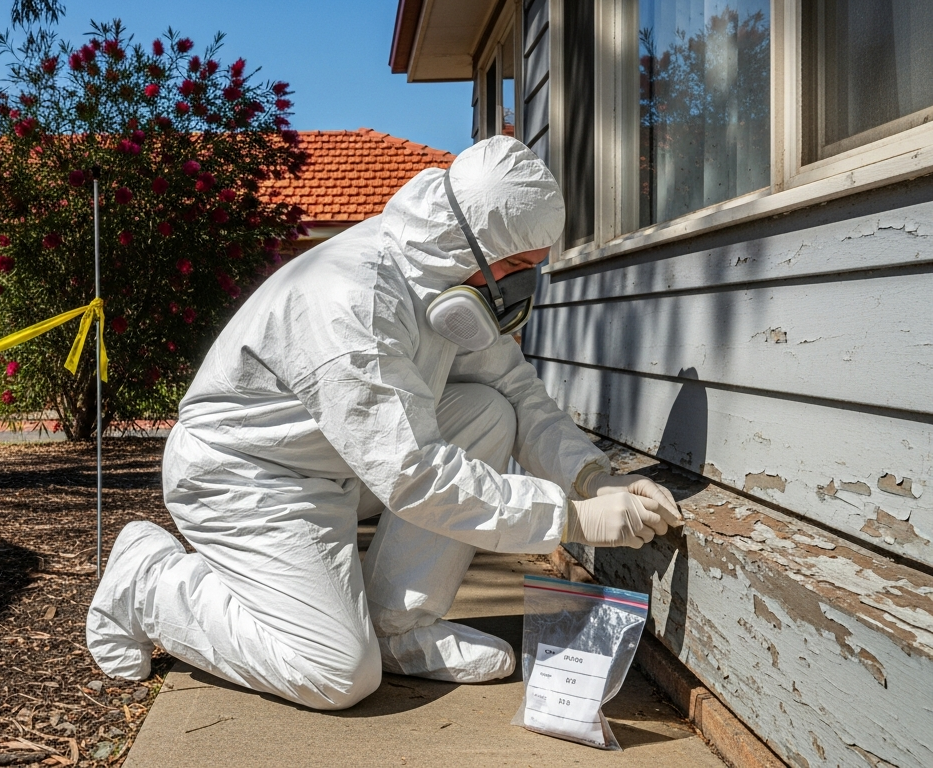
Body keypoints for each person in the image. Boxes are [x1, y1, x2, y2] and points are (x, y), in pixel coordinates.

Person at [85, 136, 682, 711]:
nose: (524, 287)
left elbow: (515, 388)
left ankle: (399, 624)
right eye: (519, 267)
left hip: (336, 465)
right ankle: (148, 581)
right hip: (245, 478)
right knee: (335, 672)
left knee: (487, 410)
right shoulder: (353, 302)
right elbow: (415, 474)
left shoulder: (442, 276)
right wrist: (569, 519)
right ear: (472, 247)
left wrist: (591, 477)